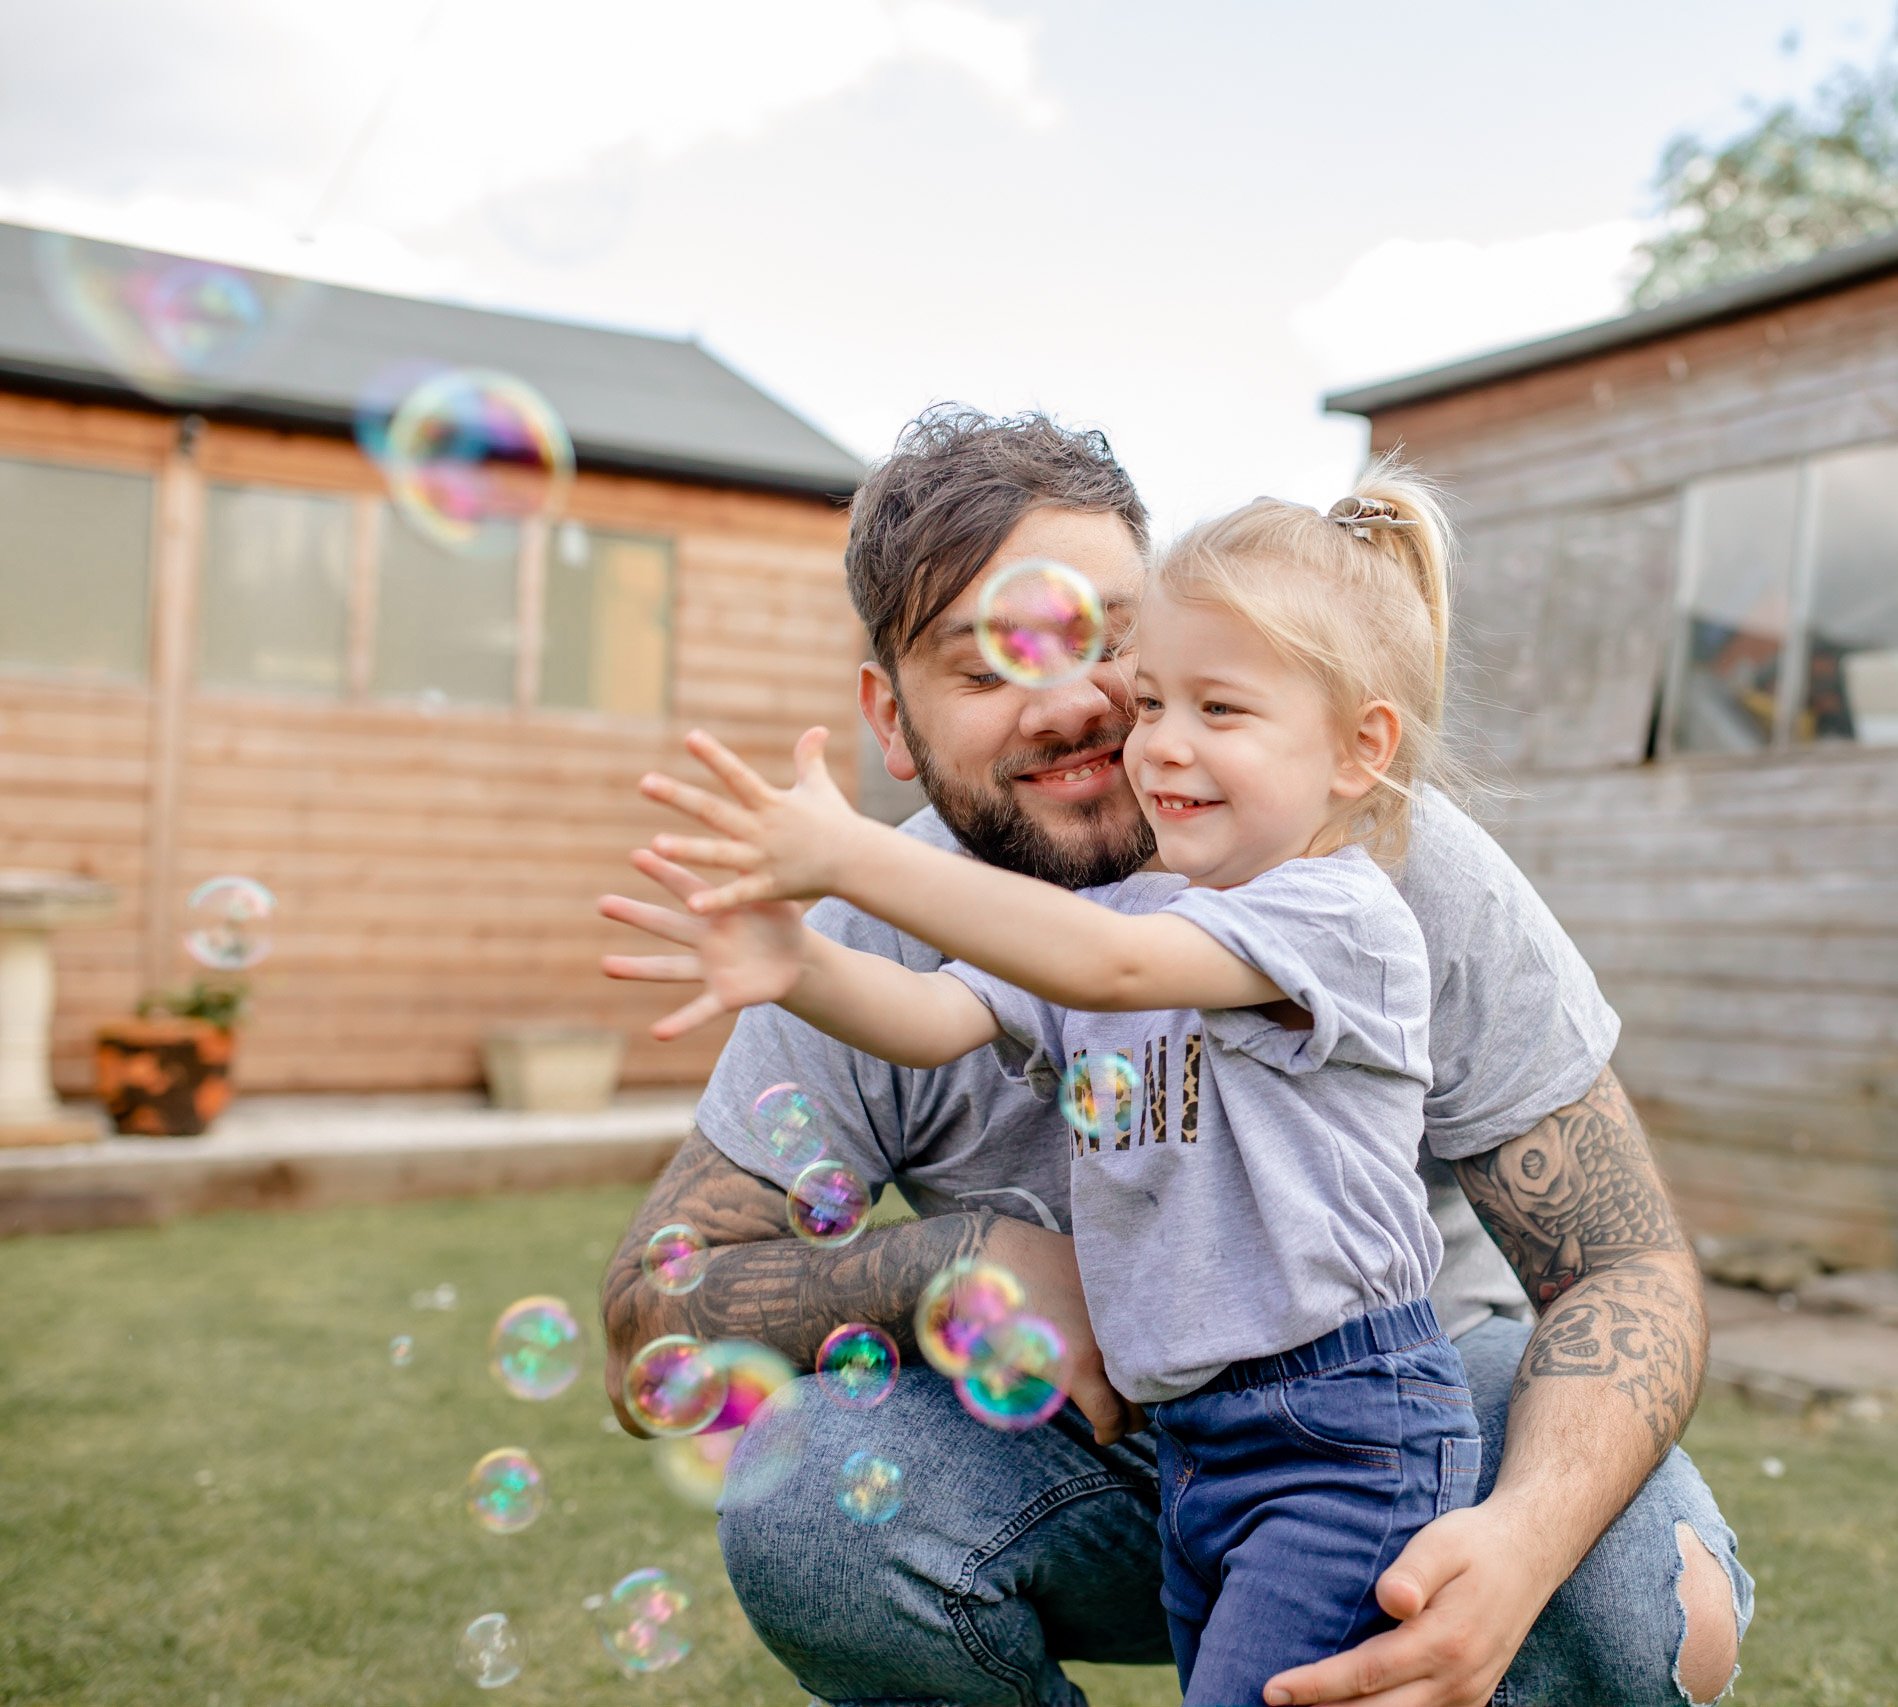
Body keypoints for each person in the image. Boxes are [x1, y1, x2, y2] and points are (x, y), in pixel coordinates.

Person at [598, 409, 1751, 1707]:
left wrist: (1525, 1538)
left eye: (1103, 639)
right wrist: (960, 1260)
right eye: (984, 671)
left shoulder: (1356, 861)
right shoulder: (888, 917)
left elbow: (1625, 1263)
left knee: (1654, 1608)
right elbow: (653, 1318)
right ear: (890, 718)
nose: (1074, 703)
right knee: (808, 1500)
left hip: (1374, 1405)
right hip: (1106, 1443)